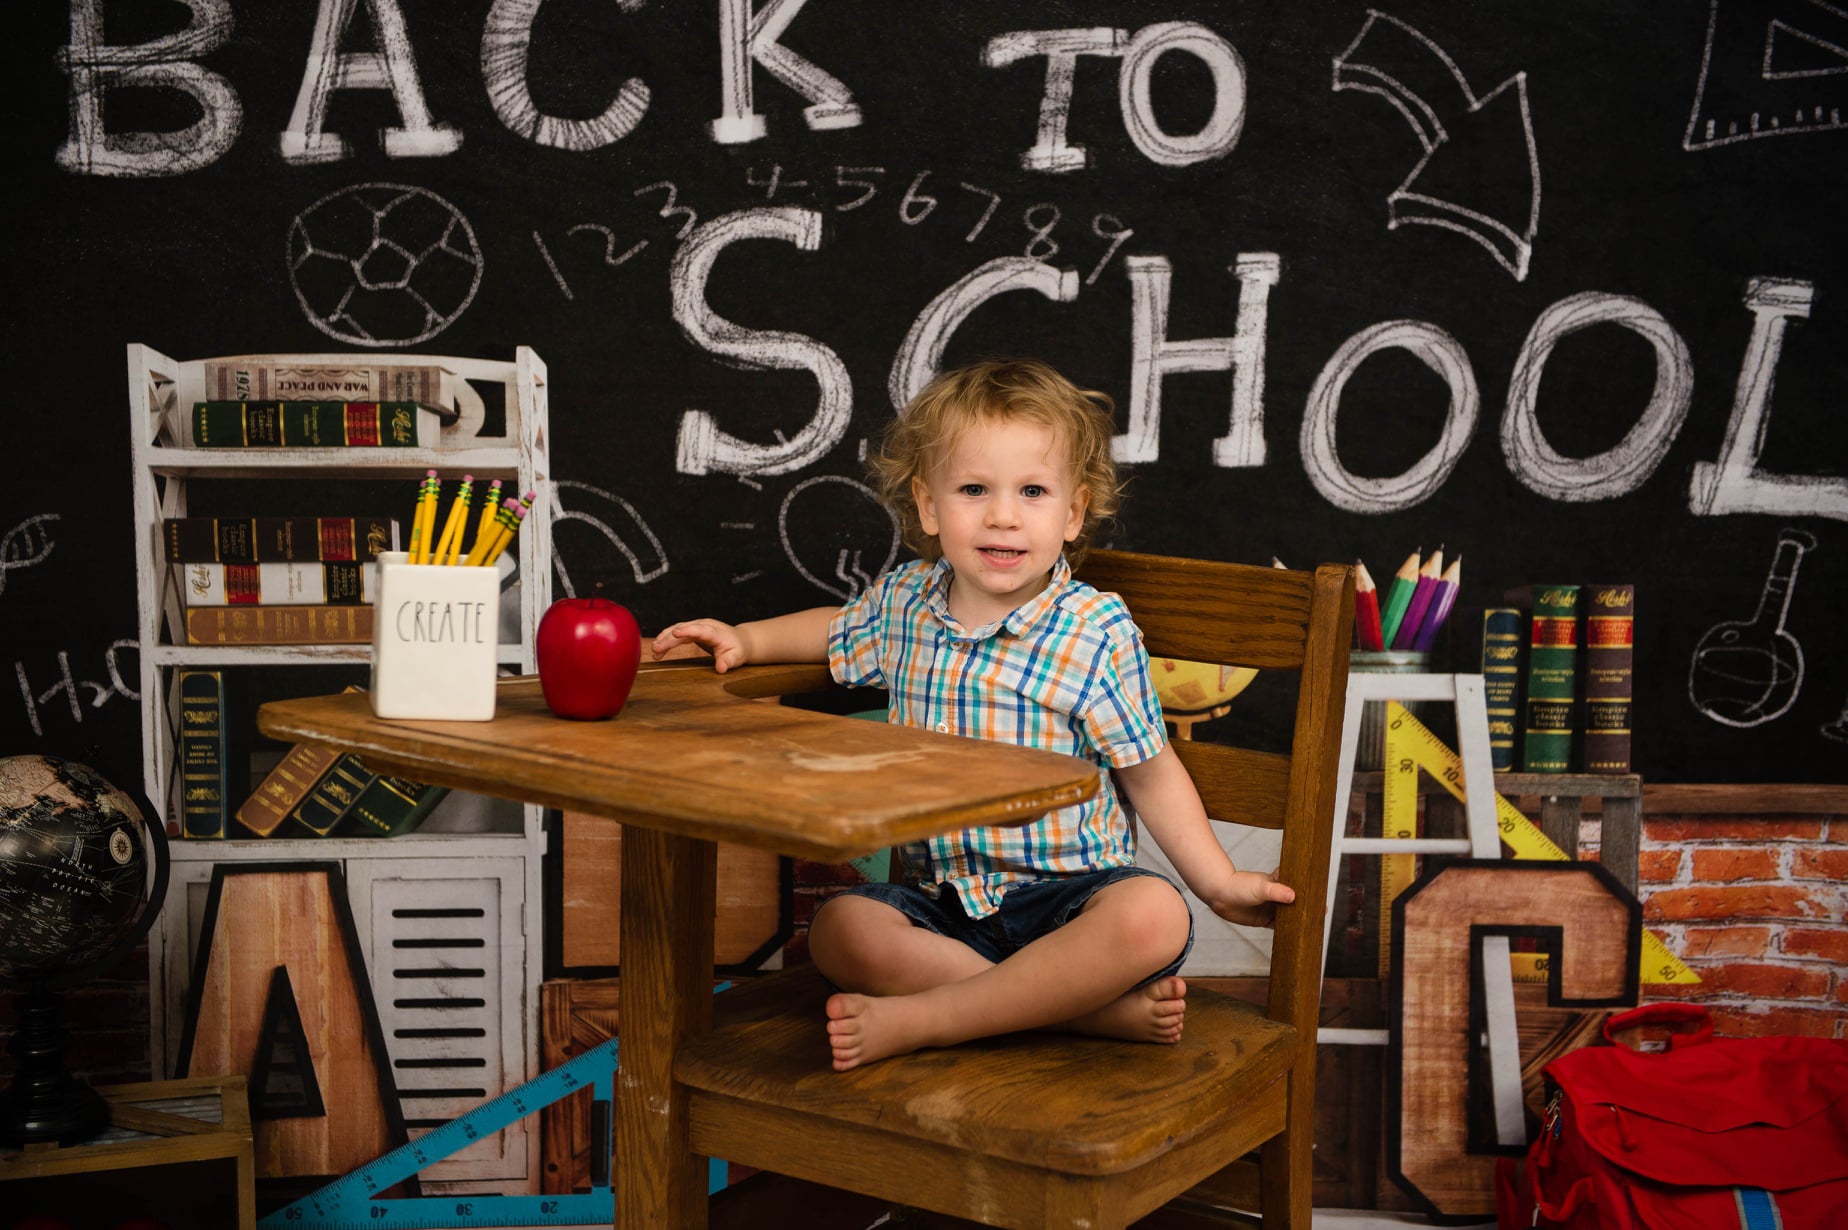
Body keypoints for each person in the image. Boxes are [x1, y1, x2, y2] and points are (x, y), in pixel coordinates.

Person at [651, 359, 1293, 1071]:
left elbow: (1149, 771)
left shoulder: (1094, 631)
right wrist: (747, 639)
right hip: (944, 906)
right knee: (841, 928)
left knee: (1155, 914)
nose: (1003, 515)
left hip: (1071, 903)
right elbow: (832, 632)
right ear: (929, 506)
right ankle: (1081, 1015)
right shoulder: (904, 606)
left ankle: (931, 1018)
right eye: (974, 489)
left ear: (1073, 513)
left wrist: (1217, 882)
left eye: (1033, 491)